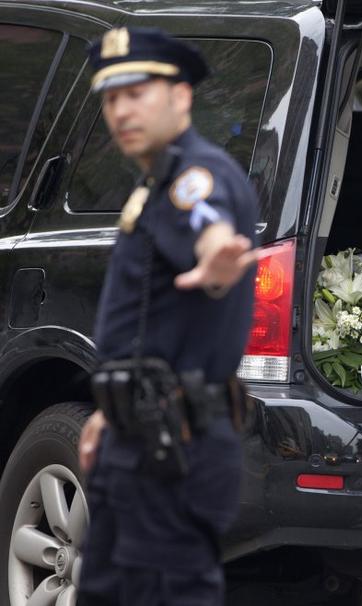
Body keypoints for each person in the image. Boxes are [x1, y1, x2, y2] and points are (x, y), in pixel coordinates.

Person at [76, 26, 259, 606]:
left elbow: (210, 225)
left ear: (181, 96)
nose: (121, 111)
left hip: (172, 450)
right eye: (111, 98)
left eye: (137, 93)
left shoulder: (193, 177)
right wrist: (108, 414)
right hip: (137, 436)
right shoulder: (158, 180)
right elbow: (153, 322)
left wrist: (218, 260)